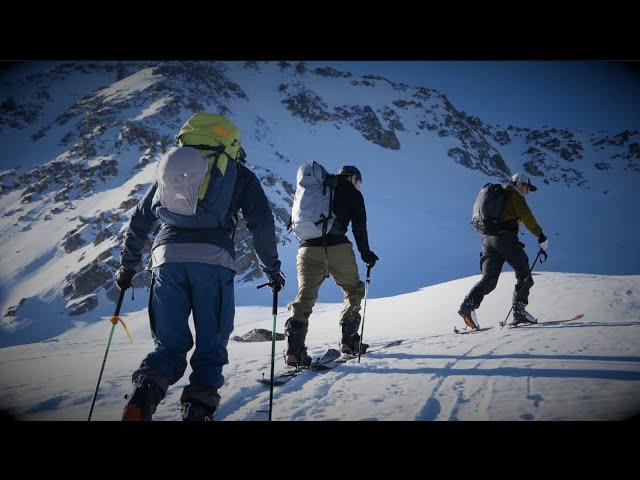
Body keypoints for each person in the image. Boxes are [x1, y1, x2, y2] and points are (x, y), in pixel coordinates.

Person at [115, 113, 285, 421]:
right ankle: (197, 409)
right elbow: (261, 223)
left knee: (169, 346)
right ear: (231, 144)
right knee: (210, 345)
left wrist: (127, 267)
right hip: (213, 261)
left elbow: (140, 219)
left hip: (165, 259)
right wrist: (271, 270)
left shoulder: (173, 172)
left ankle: (147, 389)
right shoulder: (239, 173)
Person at [285, 165, 378, 366]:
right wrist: (366, 254)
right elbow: (359, 226)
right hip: (337, 248)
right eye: (358, 182)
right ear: (353, 177)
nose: (358, 186)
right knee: (353, 290)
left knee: (305, 298)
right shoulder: (350, 191)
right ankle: (349, 342)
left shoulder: (316, 190)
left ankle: (294, 352)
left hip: (307, 250)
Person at [459, 173, 548, 328]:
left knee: (489, 279)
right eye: (527, 188)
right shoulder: (514, 195)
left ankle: (468, 306)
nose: (527, 192)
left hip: (488, 240)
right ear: (519, 184)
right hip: (506, 239)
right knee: (525, 275)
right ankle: (519, 312)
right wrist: (541, 235)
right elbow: (527, 217)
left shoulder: (496, 196)